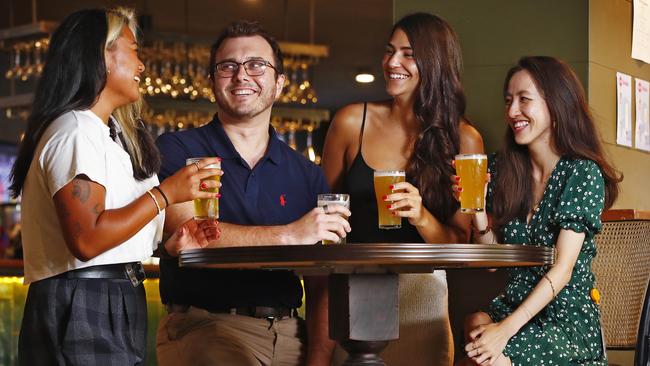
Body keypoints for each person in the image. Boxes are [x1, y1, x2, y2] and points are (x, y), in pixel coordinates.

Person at [12, 8, 219, 365]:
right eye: (134, 50)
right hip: (83, 298)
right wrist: (166, 193)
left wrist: (169, 245)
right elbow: (88, 240)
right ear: (101, 54)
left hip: (112, 294)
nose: (142, 65)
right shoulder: (76, 131)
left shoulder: (111, 137)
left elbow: (110, 238)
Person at [155, 21, 351, 366]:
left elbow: (322, 283)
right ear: (213, 81)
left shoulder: (306, 174)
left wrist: (319, 358)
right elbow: (186, 232)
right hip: (205, 327)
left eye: (256, 65)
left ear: (279, 84)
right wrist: (292, 234)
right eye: (227, 66)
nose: (241, 75)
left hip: (292, 334)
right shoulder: (177, 149)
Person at [322, 12, 484, 366]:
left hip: (422, 299)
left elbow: (460, 242)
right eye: (389, 51)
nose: (392, 62)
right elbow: (322, 215)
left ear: (436, 62)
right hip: (355, 296)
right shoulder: (351, 121)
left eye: (408, 53)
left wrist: (422, 215)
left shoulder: (465, 139)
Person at [455, 56, 621, 366]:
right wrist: (476, 209)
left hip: (564, 319)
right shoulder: (504, 170)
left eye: (523, 100)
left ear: (555, 105)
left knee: (484, 357)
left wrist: (505, 330)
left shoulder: (581, 173)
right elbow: (490, 262)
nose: (512, 111)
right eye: (508, 101)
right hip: (515, 305)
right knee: (475, 324)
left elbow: (563, 270)